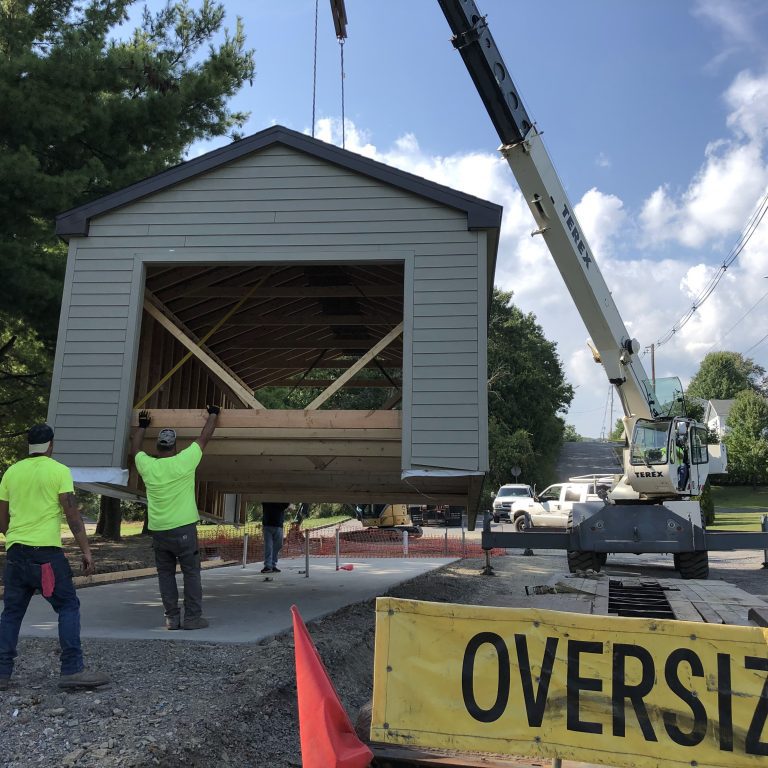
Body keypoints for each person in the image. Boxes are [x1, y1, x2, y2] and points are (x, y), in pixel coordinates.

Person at [0, 424, 109, 690]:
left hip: (15, 555)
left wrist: (16, 538)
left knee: (11, 613)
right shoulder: (59, 471)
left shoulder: (11, 473)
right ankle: (72, 670)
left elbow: (1, 519)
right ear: (51, 445)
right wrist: (86, 551)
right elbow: (72, 515)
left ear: (29, 445)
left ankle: (2, 673)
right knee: (68, 606)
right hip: (46, 557)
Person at [130, 406, 219, 630]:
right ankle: (192, 619)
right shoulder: (184, 461)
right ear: (175, 446)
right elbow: (204, 437)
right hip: (184, 530)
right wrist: (214, 414)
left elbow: (135, 449)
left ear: (157, 447)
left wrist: (142, 426)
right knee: (191, 573)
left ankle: (171, 619)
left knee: (166, 575)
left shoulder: (148, 466)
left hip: (159, 530)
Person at [261, 502, 290, 574]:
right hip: (269, 525)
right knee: (269, 546)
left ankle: (272, 565)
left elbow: (287, 504)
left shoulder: (280, 501)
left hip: (276, 525)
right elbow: (287, 505)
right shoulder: (268, 500)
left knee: (277, 546)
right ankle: (268, 566)